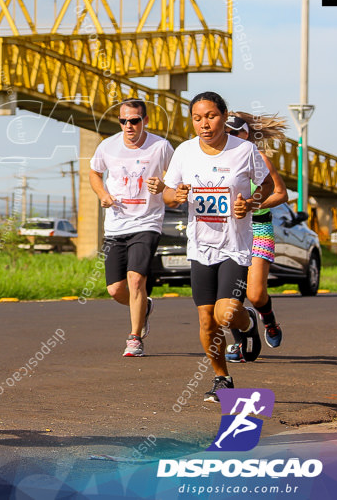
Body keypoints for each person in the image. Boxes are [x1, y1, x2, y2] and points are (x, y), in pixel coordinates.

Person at [163, 92, 274, 403]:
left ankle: (248, 321)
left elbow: (265, 186)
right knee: (206, 319)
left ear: (224, 116)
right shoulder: (184, 152)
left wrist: (250, 204)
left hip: (234, 246)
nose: (204, 124)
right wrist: (178, 195)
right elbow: (168, 195)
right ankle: (222, 378)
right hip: (200, 247)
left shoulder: (244, 150)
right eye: (197, 118)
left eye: (210, 116)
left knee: (226, 314)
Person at [88, 98, 174, 358]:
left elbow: (177, 175)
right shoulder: (108, 146)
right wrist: (102, 193)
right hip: (116, 224)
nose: (129, 126)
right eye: (124, 121)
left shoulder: (160, 146)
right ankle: (143, 306)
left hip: (147, 221)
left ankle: (135, 338)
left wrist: (163, 185)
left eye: (134, 120)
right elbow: (94, 172)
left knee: (136, 279)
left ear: (145, 121)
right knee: (115, 290)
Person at [223, 112, 289, 362]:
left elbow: (281, 194)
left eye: (234, 132)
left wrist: (252, 204)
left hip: (258, 228)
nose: (229, 137)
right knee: (228, 295)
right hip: (228, 232)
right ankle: (240, 343)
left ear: (245, 134)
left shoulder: (259, 158)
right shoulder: (214, 160)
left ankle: (269, 320)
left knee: (256, 294)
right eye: (225, 132)